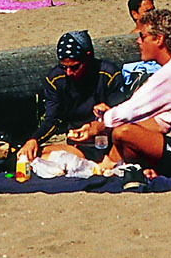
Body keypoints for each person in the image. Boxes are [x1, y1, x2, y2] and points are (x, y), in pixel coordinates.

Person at [71, 9, 171, 177]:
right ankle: (109, 163)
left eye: (143, 36)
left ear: (159, 39)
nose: (138, 41)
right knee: (128, 128)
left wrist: (98, 126)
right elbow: (161, 122)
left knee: (122, 133)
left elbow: (129, 112)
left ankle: (122, 167)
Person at [18, 31, 115, 167]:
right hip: (77, 143)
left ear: (87, 58)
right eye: (64, 67)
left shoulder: (108, 75)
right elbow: (52, 119)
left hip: (107, 140)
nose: (69, 73)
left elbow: (123, 115)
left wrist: (99, 125)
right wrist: (34, 139)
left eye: (75, 67)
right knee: (30, 154)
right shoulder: (56, 80)